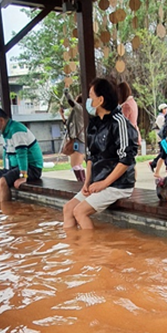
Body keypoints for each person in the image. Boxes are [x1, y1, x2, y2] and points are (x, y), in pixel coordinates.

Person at [63, 79, 139, 229]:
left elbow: (126, 159)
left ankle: (90, 250)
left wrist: (104, 183)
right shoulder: (94, 124)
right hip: (98, 182)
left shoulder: (120, 122)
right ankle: (73, 249)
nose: (88, 101)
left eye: (91, 96)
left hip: (118, 185)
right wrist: (87, 183)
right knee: (68, 209)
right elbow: (91, 157)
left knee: (80, 212)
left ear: (100, 100)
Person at [0, 107, 43, 201]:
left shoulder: (16, 130)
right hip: (15, 167)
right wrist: (6, 169)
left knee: (3, 181)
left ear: (1, 120)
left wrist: (23, 177)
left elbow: (22, 154)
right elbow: (6, 154)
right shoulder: (5, 132)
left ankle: (6, 211)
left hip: (32, 168)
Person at [61, 82, 86, 182]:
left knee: (75, 164)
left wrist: (66, 90)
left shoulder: (80, 109)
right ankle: (82, 182)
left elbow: (71, 101)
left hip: (79, 139)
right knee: (76, 164)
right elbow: (68, 124)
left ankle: (82, 183)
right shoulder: (77, 112)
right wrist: (62, 116)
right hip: (77, 139)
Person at [149, 103, 167, 172]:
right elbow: (163, 128)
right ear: (163, 110)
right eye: (166, 108)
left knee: (165, 151)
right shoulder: (160, 117)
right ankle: (154, 163)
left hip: (164, 137)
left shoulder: (164, 117)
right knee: (164, 152)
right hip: (161, 138)